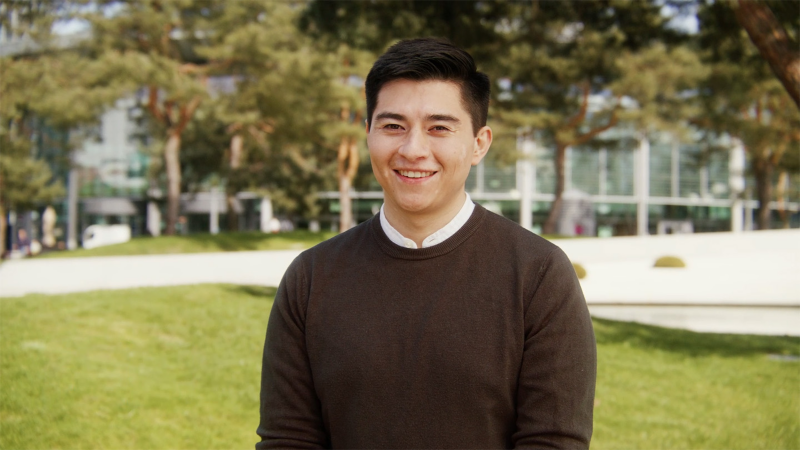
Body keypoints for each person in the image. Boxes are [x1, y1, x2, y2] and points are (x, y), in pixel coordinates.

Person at [257, 38, 596, 449]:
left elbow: (553, 442)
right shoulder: (311, 278)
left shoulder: (538, 275)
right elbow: (287, 440)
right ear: (369, 135)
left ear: (479, 144)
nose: (413, 149)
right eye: (393, 126)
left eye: (439, 128)